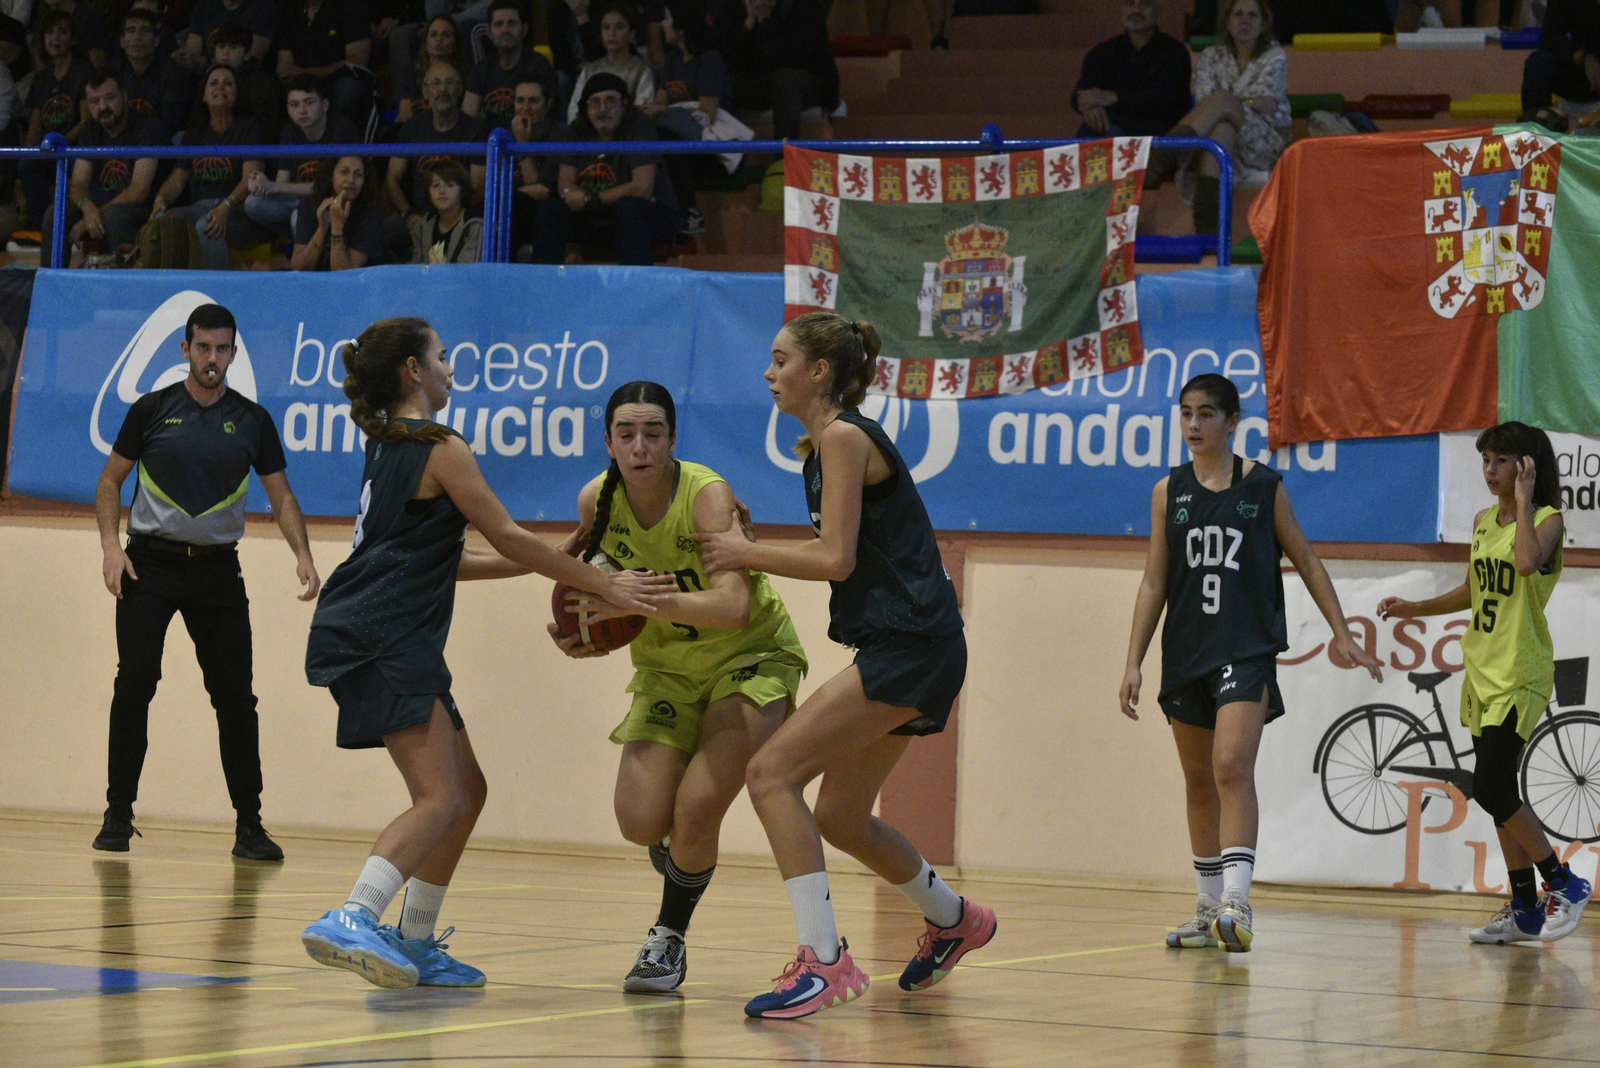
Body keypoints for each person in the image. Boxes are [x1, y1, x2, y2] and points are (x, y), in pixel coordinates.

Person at [299, 316, 670, 990]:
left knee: (467, 791)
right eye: (441, 356)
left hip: (380, 629)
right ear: (414, 370)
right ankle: (353, 915)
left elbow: (447, 560)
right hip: (384, 633)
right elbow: (503, 532)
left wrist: (545, 560)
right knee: (439, 798)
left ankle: (414, 941)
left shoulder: (392, 442)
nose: (450, 368)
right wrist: (601, 582)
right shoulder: (441, 445)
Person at [694, 313, 997, 1019]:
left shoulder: (842, 437)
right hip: (917, 645)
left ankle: (824, 962)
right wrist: (752, 546)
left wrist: (744, 552)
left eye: (780, 360)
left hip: (912, 645)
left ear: (819, 371)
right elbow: (841, 552)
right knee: (840, 814)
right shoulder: (830, 445)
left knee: (770, 774)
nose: (769, 373)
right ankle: (955, 919)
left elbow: (835, 559)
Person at [548, 380, 809, 992]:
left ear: (672, 440)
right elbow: (585, 583)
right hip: (667, 668)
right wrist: (580, 630)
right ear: (608, 442)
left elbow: (733, 609)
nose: (640, 446)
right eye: (627, 434)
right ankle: (681, 849)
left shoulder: (705, 496)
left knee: (697, 808)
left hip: (749, 657)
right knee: (640, 821)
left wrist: (638, 601)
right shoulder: (595, 501)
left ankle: (666, 941)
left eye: (653, 433)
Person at [1118, 374, 1383, 954]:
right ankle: (1207, 906)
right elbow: (1154, 581)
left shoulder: (1263, 486)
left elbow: (1306, 559)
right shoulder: (1167, 491)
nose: (1193, 424)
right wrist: (1133, 660)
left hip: (1245, 649)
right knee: (1197, 780)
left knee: (1231, 765)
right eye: (1186, 413)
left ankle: (1237, 901)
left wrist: (1342, 632)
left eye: (1206, 413)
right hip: (1186, 651)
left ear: (1233, 421)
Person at [91, 303, 320, 862]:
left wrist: (303, 554)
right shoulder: (151, 410)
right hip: (149, 565)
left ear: (234, 353)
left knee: (236, 697)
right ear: (185, 349)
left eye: (221, 349)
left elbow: (282, 496)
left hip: (217, 571)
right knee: (135, 681)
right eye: (202, 347)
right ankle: (118, 814)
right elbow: (110, 481)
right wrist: (111, 549)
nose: (211, 358)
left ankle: (250, 826)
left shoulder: (253, 420)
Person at [1377, 424, 1593, 945]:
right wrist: (1416, 608)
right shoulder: (1481, 521)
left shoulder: (1546, 520)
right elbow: (1476, 589)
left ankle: (1565, 882)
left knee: (1492, 786)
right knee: (1499, 795)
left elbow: (1526, 563)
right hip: (1482, 669)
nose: (1490, 470)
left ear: (1526, 467)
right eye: (1486, 460)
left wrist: (1524, 500)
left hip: (1521, 671)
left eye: (1501, 461)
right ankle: (1524, 909)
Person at [1161, 0, 1288, 233]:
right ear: (1228, 22)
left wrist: (1227, 105)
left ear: (1263, 23)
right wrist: (1241, 104)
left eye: (1252, 15)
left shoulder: (1275, 56)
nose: (1244, 20)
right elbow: (1205, 102)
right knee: (1221, 130)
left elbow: (1268, 107)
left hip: (1263, 140)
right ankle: (1209, 230)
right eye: (1238, 14)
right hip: (1218, 138)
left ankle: (1163, 155)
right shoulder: (1210, 56)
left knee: (1221, 103)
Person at [533, 72, 675, 265]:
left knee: (629, 208)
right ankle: (545, 280)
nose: (602, 109)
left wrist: (590, 199)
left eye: (610, 101)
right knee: (550, 210)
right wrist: (589, 200)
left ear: (624, 104)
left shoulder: (640, 127)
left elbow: (642, 188)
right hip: (598, 217)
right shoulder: (576, 130)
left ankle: (635, 281)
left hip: (645, 218)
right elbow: (566, 187)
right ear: (586, 108)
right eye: (595, 102)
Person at [150, 63, 272, 270]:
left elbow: (250, 179)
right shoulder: (196, 130)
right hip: (201, 207)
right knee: (165, 220)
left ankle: (213, 287)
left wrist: (226, 206)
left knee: (207, 225)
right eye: (213, 83)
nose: (220, 88)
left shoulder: (251, 126)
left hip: (240, 211)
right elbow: (177, 180)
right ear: (204, 96)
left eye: (228, 83)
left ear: (238, 93)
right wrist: (161, 200)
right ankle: (172, 285)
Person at [42, 70, 161, 265]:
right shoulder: (90, 129)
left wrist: (96, 214)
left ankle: (125, 282)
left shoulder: (146, 127)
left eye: (110, 98)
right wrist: (88, 208)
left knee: (115, 216)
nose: (103, 107)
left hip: (143, 210)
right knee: (56, 213)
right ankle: (51, 279)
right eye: (94, 101)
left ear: (124, 97)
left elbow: (139, 192)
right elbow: (78, 184)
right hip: (102, 207)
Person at [244, 75, 361, 240]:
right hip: (298, 202)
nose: (302, 110)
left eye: (309, 103)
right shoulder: (289, 133)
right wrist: (260, 184)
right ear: (287, 108)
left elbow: (331, 187)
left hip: (333, 202)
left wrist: (273, 186)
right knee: (252, 203)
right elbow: (282, 182)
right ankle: (303, 234)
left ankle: (305, 239)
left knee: (300, 214)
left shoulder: (343, 129)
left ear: (325, 105)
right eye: (295, 105)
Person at [645, 0, 728, 233]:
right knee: (654, 136)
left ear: (681, 28)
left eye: (668, 19)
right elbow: (660, 105)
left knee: (666, 141)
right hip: (679, 140)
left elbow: (706, 113)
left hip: (712, 147)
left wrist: (664, 111)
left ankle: (690, 211)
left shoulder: (710, 59)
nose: (663, 24)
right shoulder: (672, 60)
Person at [385, 61, 485, 243]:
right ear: (425, 91)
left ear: (460, 90)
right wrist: (408, 214)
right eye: (436, 83)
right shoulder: (411, 128)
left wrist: (447, 219)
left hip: (459, 217)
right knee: (379, 232)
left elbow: (478, 188)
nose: (443, 89)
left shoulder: (475, 131)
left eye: (450, 83)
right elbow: (392, 178)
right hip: (417, 217)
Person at [712, 0, 836, 140]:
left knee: (785, 80)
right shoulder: (736, 9)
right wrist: (749, 22)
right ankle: (724, 149)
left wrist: (766, 21)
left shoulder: (803, 7)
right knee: (725, 82)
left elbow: (792, 57)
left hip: (808, 80)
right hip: (764, 81)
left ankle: (784, 151)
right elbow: (727, 59)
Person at [1072, 0, 1190, 137]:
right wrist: (1090, 107)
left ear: (1158, 10)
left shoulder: (1175, 52)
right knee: (1098, 128)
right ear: (1122, 9)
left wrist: (1114, 98)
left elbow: (1165, 102)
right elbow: (1080, 93)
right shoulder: (1103, 52)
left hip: (1157, 135)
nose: (1136, 10)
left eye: (1145, 4)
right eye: (1130, 4)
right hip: (1108, 128)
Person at [21, 10, 92, 229]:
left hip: (76, 150)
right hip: (49, 150)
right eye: (50, 32)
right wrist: (31, 152)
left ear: (73, 38)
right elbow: (36, 125)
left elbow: (86, 122)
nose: (55, 38)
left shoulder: (84, 71)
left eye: (62, 32)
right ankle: (39, 225)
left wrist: (58, 143)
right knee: (26, 165)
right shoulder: (41, 79)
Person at [276, 0, 374, 130]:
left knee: (347, 88)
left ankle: (338, 138)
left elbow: (357, 61)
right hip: (302, 81)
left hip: (337, 80)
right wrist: (289, 73)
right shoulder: (291, 13)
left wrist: (303, 72)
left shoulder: (351, 8)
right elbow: (285, 63)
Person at [462, 0, 557, 129]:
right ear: (489, 32)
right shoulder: (481, 70)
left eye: (512, 23)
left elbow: (546, 122)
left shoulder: (540, 67)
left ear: (524, 29)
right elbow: (467, 122)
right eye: (499, 24)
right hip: (488, 140)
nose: (505, 29)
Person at [111, 8, 193, 139]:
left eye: (145, 30)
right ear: (122, 41)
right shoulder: (113, 74)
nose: (137, 37)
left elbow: (170, 126)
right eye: (131, 31)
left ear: (156, 40)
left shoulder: (174, 74)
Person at [292, 154, 384, 268]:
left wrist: (337, 226)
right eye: (344, 172)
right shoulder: (310, 204)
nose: (351, 180)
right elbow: (298, 268)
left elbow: (344, 275)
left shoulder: (371, 213)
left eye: (358, 175)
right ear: (331, 175)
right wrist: (322, 229)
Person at [568, 1, 656, 121]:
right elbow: (574, 112)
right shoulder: (590, 70)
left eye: (619, 27)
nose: (611, 33)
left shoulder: (641, 71)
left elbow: (641, 114)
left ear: (631, 33)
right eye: (606, 27)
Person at [507, 77, 567, 252]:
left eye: (533, 101)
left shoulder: (561, 134)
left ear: (547, 105)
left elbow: (540, 190)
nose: (525, 108)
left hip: (545, 210)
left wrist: (522, 144)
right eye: (520, 101)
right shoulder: (503, 135)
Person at [1521, 0, 1600, 125]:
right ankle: (1536, 128)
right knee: (1539, 62)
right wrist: (1584, 58)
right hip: (1581, 75)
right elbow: (1550, 36)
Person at [209, 21, 284, 131]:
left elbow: (265, 120)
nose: (226, 52)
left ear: (247, 54)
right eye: (221, 46)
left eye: (233, 47)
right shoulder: (209, 77)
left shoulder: (257, 81)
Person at [394, 14, 467, 121]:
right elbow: (405, 115)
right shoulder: (412, 75)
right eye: (433, 34)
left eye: (446, 35)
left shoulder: (465, 76)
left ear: (455, 45)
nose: (438, 39)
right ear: (425, 44)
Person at [409, 158, 482, 262]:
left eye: (450, 185)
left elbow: (470, 269)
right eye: (436, 185)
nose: (442, 191)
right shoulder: (421, 226)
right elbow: (418, 266)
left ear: (462, 190)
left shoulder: (474, 225)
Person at [180, 0, 277, 69]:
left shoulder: (263, 7)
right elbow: (193, 48)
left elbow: (252, 59)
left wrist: (203, 62)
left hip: (242, 77)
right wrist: (185, 58)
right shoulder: (205, 4)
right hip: (205, 75)